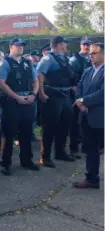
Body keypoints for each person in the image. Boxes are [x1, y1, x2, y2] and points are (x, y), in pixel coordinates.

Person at [0, 38, 40, 176]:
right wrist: (17, 97)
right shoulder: (5, 63)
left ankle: (26, 160)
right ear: (11, 47)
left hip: (27, 101)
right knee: (8, 134)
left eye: (22, 46)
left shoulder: (28, 63)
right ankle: (6, 163)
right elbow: (0, 83)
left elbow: (35, 80)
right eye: (18, 45)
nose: (21, 48)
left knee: (27, 133)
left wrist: (33, 94)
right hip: (12, 103)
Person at [37, 36, 76, 169]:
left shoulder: (64, 58)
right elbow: (40, 75)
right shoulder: (48, 58)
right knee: (49, 127)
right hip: (52, 95)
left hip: (65, 96)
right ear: (59, 44)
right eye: (65, 44)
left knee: (64, 125)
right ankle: (45, 156)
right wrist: (41, 93)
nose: (66, 46)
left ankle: (60, 152)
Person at [72, 42, 104, 189]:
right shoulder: (88, 71)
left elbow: (102, 94)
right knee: (91, 149)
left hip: (100, 117)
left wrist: (84, 100)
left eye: (94, 53)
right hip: (86, 116)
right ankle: (91, 178)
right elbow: (79, 87)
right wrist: (79, 101)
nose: (90, 55)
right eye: (90, 53)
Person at [69, 39, 93, 156]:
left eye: (88, 45)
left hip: (89, 94)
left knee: (88, 121)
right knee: (75, 122)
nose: (86, 47)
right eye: (84, 45)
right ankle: (74, 148)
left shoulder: (90, 59)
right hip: (77, 95)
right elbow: (71, 80)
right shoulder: (74, 60)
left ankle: (86, 146)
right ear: (81, 46)